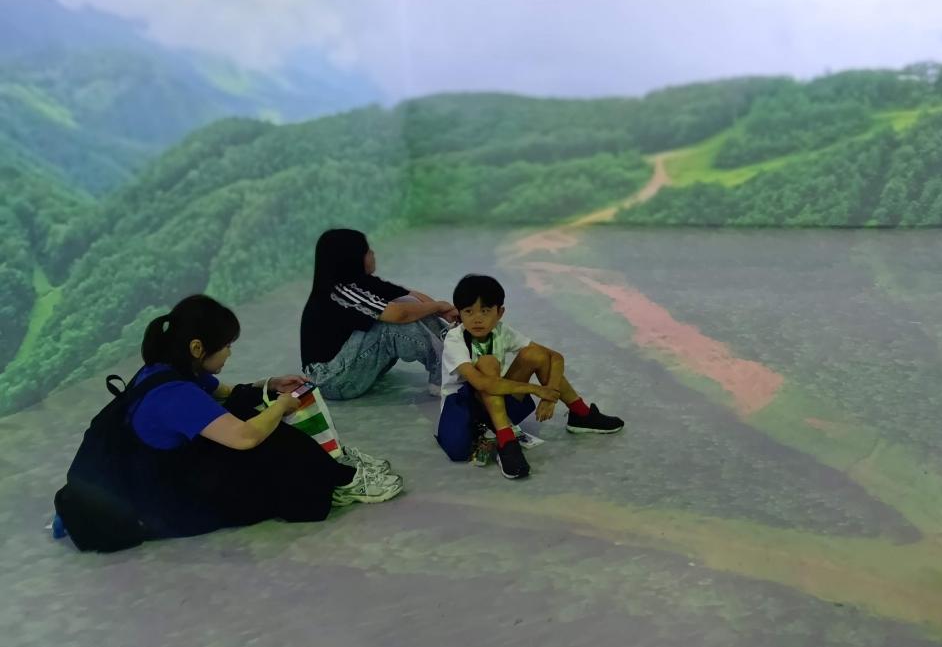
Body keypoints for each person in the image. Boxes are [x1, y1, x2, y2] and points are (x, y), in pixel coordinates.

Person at [56, 295, 403, 550]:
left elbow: (224, 391)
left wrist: (269, 385)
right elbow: (245, 438)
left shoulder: (165, 369)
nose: (230, 353)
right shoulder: (175, 395)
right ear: (197, 348)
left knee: (250, 408)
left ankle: (330, 467)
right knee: (268, 440)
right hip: (159, 506)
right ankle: (338, 481)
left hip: (147, 478)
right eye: (226, 346)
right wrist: (282, 405)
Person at [436, 274, 624, 479]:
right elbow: (482, 383)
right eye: (468, 312)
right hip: (463, 404)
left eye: (485, 311)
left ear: (500, 313)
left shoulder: (501, 331)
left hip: (496, 403)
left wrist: (550, 395)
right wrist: (536, 390)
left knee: (535, 355)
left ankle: (578, 415)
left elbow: (555, 357)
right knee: (487, 366)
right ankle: (502, 434)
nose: (477, 318)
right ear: (460, 313)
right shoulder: (455, 339)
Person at [300, 229, 459, 400]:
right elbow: (399, 315)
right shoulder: (339, 292)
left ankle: (457, 353)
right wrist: (437, 306)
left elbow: (411, 297)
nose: (373, 253)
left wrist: (445, 311)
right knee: (390, 324)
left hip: (344, 369)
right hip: (330, 379)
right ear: (352, 259)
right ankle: (446, 376)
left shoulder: (360, 282)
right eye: (367, 251)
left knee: (407, 303)